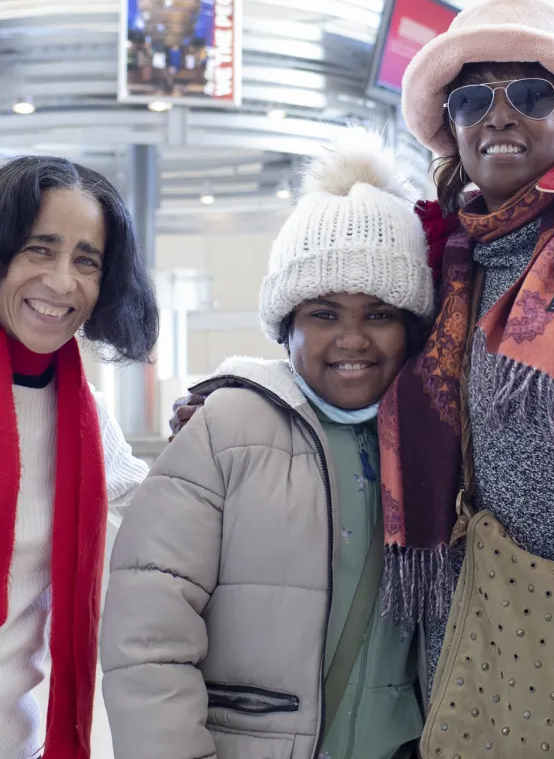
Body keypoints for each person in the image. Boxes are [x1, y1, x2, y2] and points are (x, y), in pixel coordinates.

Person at [101, 128, 433, 759]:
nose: (353, 340)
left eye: (381, 313)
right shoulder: (226, 429)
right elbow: (147, 636)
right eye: (324, 313)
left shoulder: (437, 447)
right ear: (286, 328)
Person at [377, 0, 554, 754]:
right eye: (472, 99)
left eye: (528, 94)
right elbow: (340, 343)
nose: (497, 117)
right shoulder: (435, 262)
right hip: (462, 628)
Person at [0, 155, 158, 759]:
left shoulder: (84, 416)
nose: (63, 282)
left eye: (86, 260)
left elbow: (162, 517)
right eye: (39, 249)